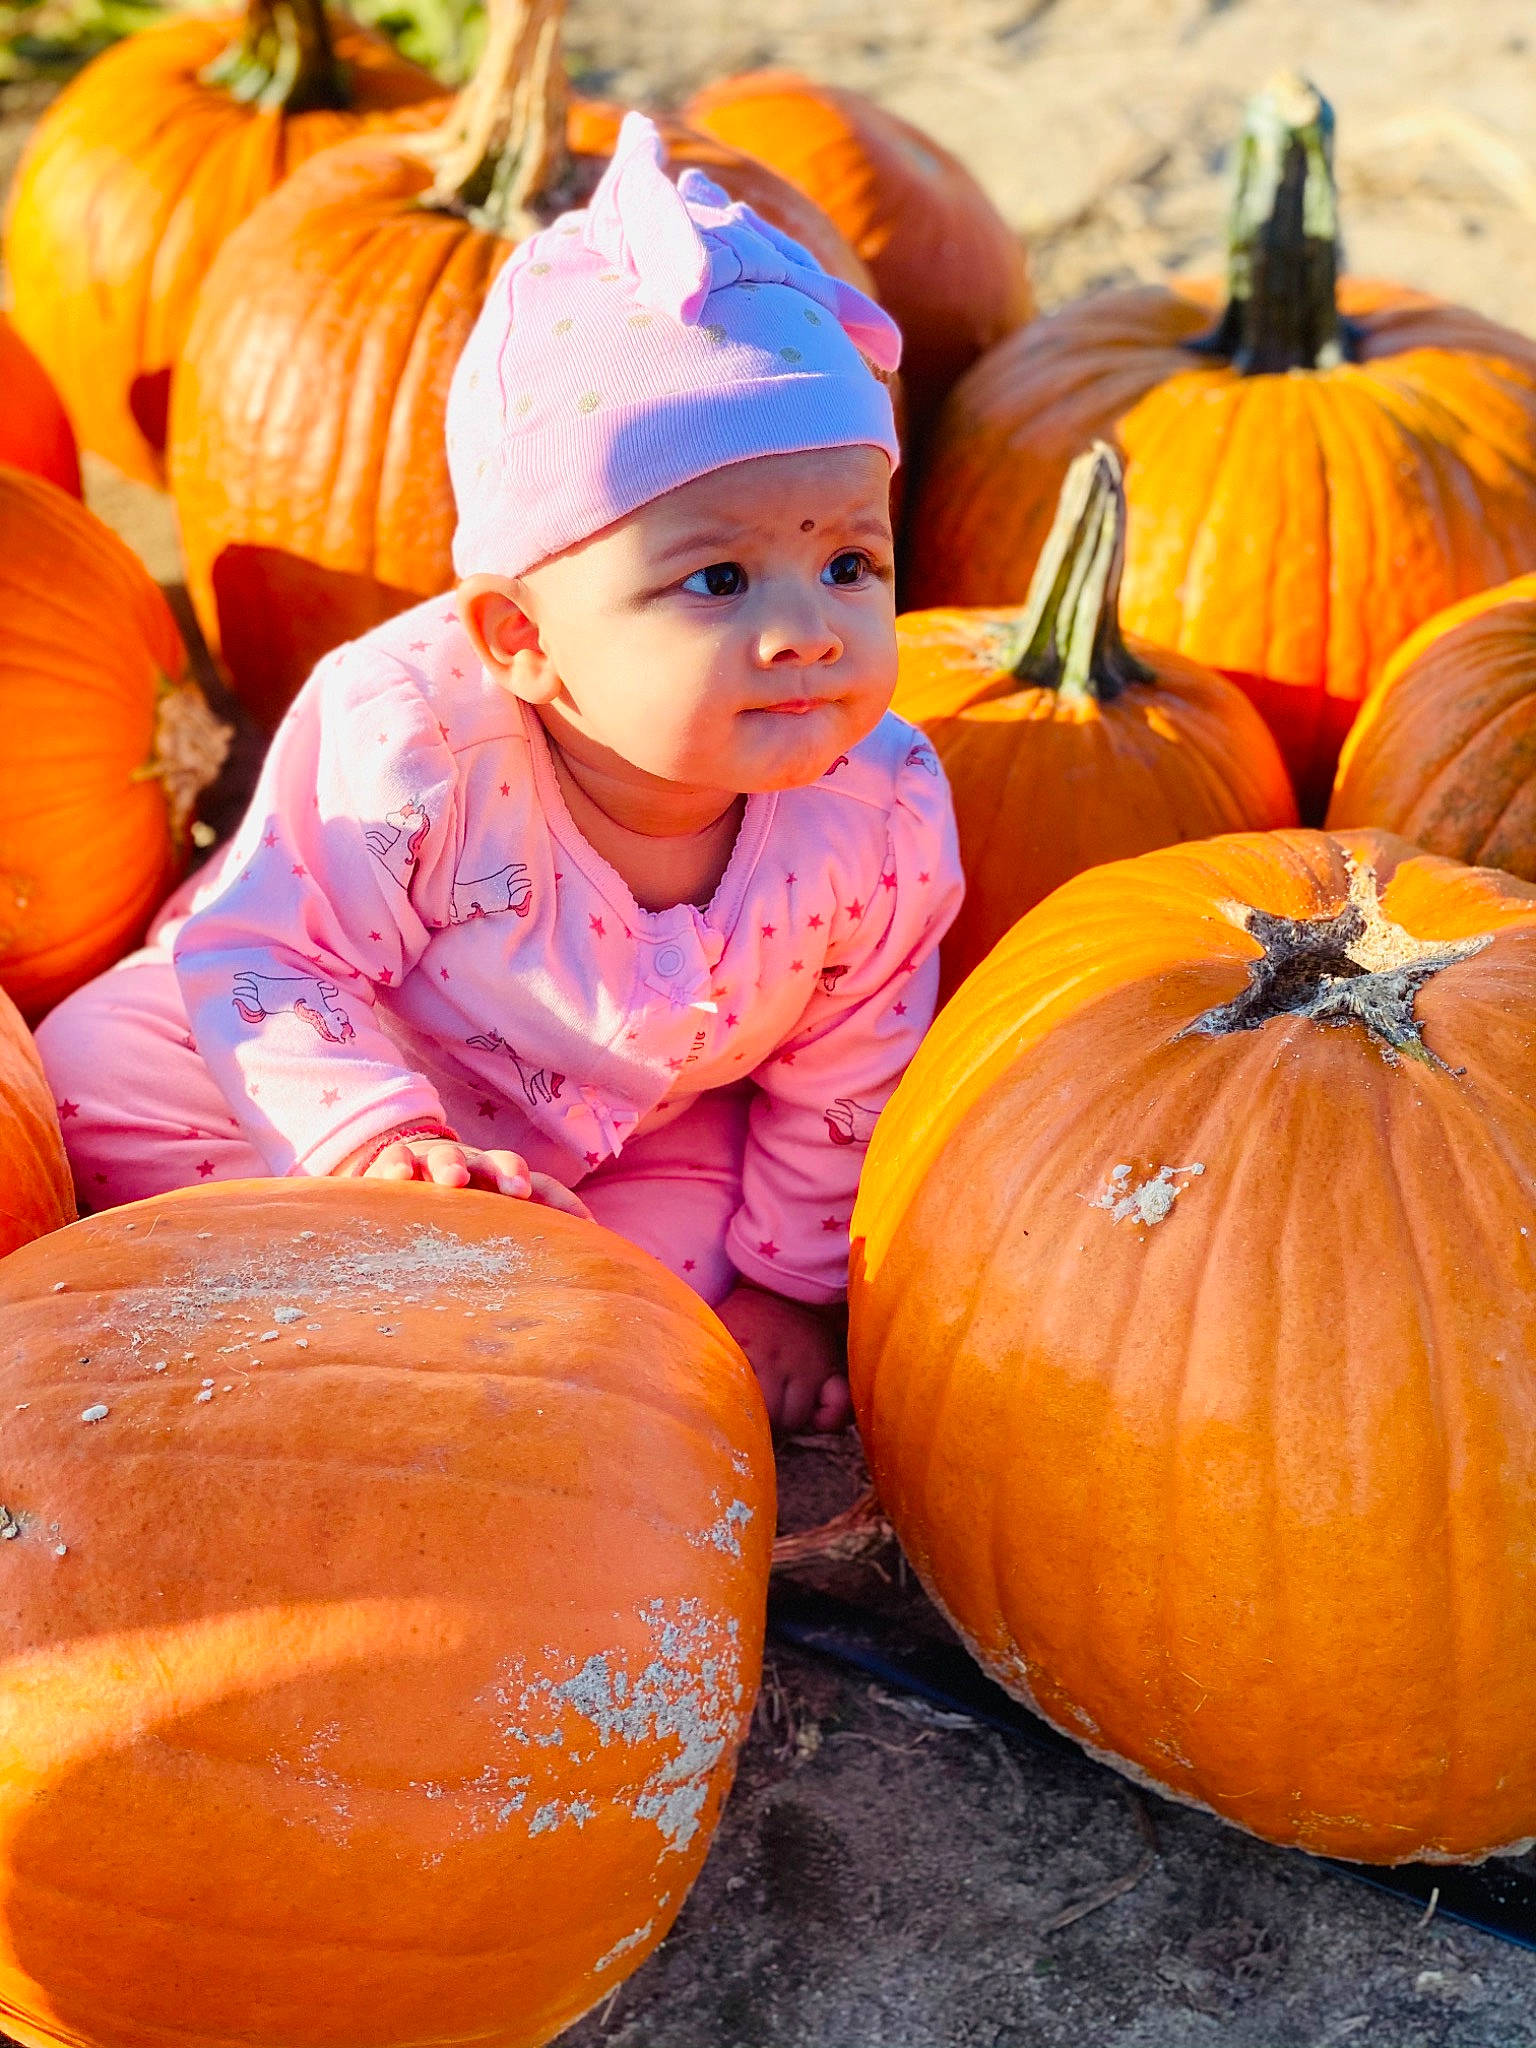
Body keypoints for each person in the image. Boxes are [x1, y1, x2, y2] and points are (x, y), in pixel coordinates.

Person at [37, 112, 964, 1435]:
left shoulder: (876, 814)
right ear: (521, 639)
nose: (808, 626)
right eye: (718, 578)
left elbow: (848, 1068)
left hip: (622, 1134)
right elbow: (273, 956)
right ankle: (361, 1260)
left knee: (682, 1266)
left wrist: (790, 1284)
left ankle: (447, 1304)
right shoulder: (415, 740)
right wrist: (373, 1144)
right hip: (330, 1061)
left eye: (849, 566)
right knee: (90, 1075)